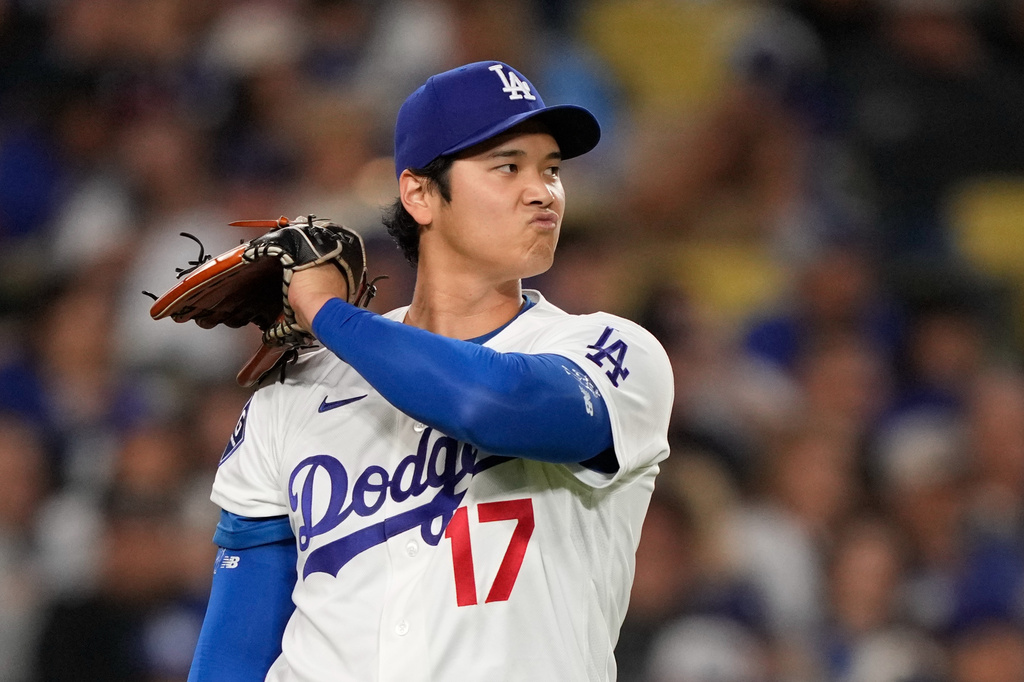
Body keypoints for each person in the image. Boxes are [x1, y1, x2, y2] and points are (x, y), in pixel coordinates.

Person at [186, 60, 674, 682]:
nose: (543, 192)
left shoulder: (611, 351)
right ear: (419, 193)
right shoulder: (298, 388)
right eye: (508, 167)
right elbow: (236, 649)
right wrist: (333, 328)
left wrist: (325, 312)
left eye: (551, 169)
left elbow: (491, 403)